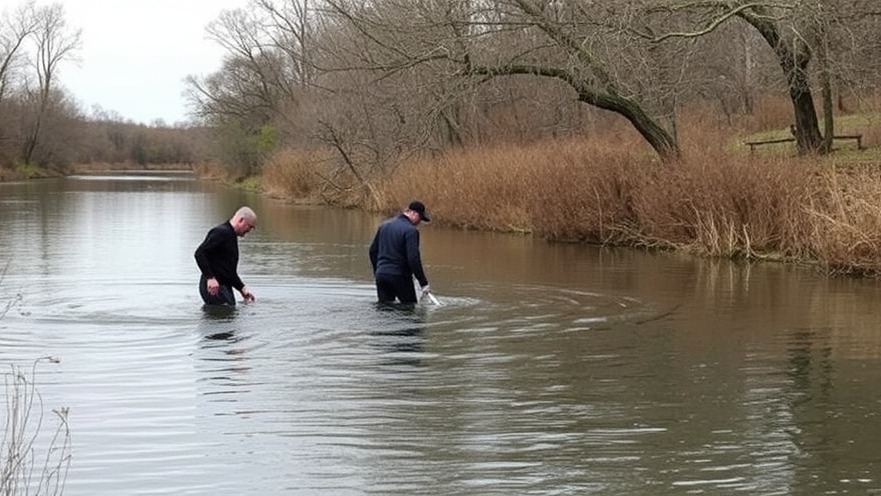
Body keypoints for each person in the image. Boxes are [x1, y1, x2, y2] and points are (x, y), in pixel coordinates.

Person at [369, 200, 432, 305]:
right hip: (400, 276)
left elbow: (372, 251)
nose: (419, 223)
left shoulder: (384, 226)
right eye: (420, 218)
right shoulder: (411, 231)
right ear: (413, 213)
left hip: (381, 276)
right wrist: (423, 283)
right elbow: (413, 259)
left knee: (385, 311)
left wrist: (378, 271)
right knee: (410, 311)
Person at [194, 206, 257, 306]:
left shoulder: (231, 236)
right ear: (241, 220)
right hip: (213, 287)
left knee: (230, 312)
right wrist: (210, 278)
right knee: (225, 315)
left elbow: (228, 271)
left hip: (224, 286)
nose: (249, 231)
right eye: (249, 227)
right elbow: (200, 253)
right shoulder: (221, 232)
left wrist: (242, 289)